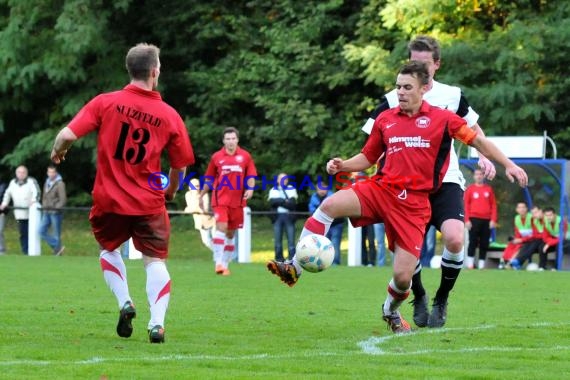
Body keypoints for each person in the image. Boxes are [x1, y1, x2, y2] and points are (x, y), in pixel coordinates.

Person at [267, 61, 528, 334]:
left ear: (424, 89)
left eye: (407, 87)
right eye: (397, 87)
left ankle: (390, 312)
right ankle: (294, 266)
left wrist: (508, 164)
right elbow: (368, 157)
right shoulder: (386, 119)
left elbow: (479, 141)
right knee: (329, 205)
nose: (400, 92)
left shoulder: (444, 119)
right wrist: (342, 165)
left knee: (403, 279)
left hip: (414, 205)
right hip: (381, 189)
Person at [50, 43, 195, 343]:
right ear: (155, 72)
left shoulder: (106, 102)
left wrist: (58, 152)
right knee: (155, 261)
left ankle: (124, 302)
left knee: (109, 250)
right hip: (149, 202)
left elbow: (66, 135)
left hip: (109, 200)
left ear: (130, 70)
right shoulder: (169, 115)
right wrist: (170, 190)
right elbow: (179, 166)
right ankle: (156, 324)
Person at [360, 36, 497, 328]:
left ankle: (442, 297)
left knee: (455, 238)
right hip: (403, 186)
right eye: (413, 61)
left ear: (436, 65)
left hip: (445, 181)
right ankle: (419, 295)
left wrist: (483, 155)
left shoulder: (453, 95)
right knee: (410, 251)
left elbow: (473, 128)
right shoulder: (391, 99)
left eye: (423, 63)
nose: (417, 67)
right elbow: (372, 142)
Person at [200, 127, 257, 276]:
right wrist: (201, 195)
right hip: (220, 199)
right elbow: (210, 178)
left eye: (233, 138)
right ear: (223, 141)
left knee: (231, 234)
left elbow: (251, 176)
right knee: (221, 227)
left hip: (237, 202)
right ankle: (218, 262)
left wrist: (250, 189)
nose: (230, 141)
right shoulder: (217, 157)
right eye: (228, 139)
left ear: (237, 140)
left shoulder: (245, 156)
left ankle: (225, 265)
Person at [0, 166, 40, 255]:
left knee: (32, 233)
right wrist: (4, 203)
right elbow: (7, 194)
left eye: (23, 172)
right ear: (16, 173)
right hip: (19, 214)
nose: (21, 174)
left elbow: (37, 193)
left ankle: (32, 251)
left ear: (26, 173)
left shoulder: (31, 181)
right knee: (23, 233)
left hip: (31, 213)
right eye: (19, 172)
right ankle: (25, 251)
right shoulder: (13, 183)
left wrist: (33, 201)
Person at [464, 168, 497, 269]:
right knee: (472, 242)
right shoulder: (470, 189)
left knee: (484, 243)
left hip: (486, 220)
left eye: (481, 174)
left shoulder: (488, 189)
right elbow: (465, 205)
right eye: (477, 174)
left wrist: (493, 219)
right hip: (473, 219)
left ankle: (482, 265)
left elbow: (494, 205)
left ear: (483, 176)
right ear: (474, 176)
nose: (479, 176)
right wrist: (466, 220)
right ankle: (470, 265)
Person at [308, 182, 344, 265]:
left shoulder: (333, 197)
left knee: (335, 243)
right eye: (320, 189)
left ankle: (335, 263)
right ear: (317, 189)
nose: (322, 191)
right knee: (324, 245)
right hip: (323, 225)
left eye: (323, 189)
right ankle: (325, 262)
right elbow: (312, 211)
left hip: (336, 224)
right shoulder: (314, 198)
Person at [268, 173, 298, 261]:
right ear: (277, 180)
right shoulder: (273, 190)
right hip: (277, 217)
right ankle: (279, 259)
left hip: (289, 217)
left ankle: (292, 259)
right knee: (278, 241)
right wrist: (285, 201)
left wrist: (279, 201)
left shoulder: (292, 189)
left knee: (291, 241)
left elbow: (292, 204)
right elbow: (272, 202)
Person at [40, 165, 67, 256]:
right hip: (46, 211)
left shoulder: (60, 183)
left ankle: (57, 252)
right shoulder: (46, 182)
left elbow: (63, 199)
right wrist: (44, 206)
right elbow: (44, 196)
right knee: (41, 230)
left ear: (56, 173)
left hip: (56, 212)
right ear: (47, 173)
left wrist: (56, 208)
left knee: (56, 234)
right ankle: (58, 247)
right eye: (49, 172)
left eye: (53, 172)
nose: (51, 174)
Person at [185, 178, 215, 252]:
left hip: (212, 221)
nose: (195, 188)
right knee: (206, 242)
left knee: (218, 240)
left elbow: (205, 210)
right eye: (193, 186)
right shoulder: (188, 195)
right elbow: (189, 210)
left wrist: (192, 208)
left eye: (197, 186)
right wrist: (196, 208)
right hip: (200, 223)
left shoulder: (204, 195)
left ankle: (224, 255)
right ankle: (220, 253)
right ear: (189, 187)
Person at [501, 202, 533, 266]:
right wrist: (516, 240)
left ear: (526, 209)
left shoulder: (531, 217)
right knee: (511, 244)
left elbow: (535, 234)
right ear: (516, 210)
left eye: (523, 207)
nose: (521, 209)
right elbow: (517, 232)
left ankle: (511, 264)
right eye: (519, 207)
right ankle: (502, 262)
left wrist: (521, 240)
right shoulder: (516, 218)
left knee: (519, 246)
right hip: (522, 239)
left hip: (531, 240)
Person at [0, 178, 7, 255]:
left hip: (1, 213)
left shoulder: (3, 185)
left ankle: (1, 250)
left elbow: (3, 198)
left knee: (0, 231)